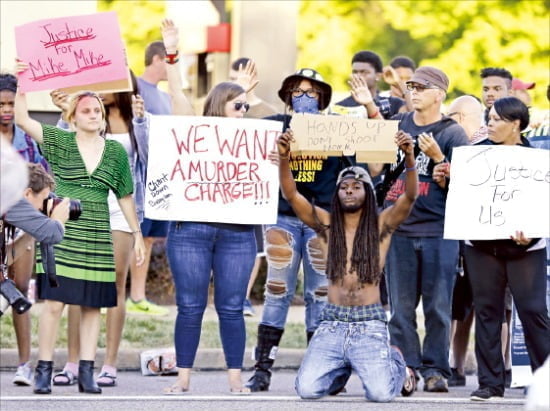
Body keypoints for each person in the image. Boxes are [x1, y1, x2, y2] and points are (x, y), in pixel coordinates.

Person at [14, 78, 146, 394]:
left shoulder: (115, 150)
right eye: (86, 110)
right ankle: (44, 369)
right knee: (56, 303)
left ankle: (87, 371)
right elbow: (22, 118)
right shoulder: (60, 141)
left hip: (99, 232)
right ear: (73, 116)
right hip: (63, 232)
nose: (93, 114)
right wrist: (22, 82)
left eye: (97, 110)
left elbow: (126, 195)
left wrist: (137, 233)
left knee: (91, 306)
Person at [246, 68, 372, 392]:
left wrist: (368, 109)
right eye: (298, 92)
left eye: (311, 93)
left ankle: (321, 369)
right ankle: (262, 369)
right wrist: (244, 96)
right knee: (277, 291)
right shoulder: (274, 126)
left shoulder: (338, 129)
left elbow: (370, 159)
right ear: (289, 97)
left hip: (322, 220)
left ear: (322, 98)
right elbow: (235, 138)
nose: (304, 98)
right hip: (282, 215)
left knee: (319, 294)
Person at [273, 129, 418, 401]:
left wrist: (409, 158)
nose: (349, 190)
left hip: (369, 323)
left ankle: (398, 364)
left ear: (368, 192)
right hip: (332, 322)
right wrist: (284, 158)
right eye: (344, 187)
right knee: (307, 390)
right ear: (337, 193)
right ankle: (341, 367)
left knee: (381, 394)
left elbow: (409, 197)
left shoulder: (382, 225)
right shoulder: (326, 225)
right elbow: (292, 196)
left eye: (356, 186)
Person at [163, 81, 257, 394]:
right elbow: (177, 99)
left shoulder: (254, 141)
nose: (244, 112)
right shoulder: (193, 132)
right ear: (220, 104)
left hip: (238, 232)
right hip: (191, 230)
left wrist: (271, 163)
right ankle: (183, 378)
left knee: (232, 307)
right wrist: (174, 59)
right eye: (238, 105)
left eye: (246, 106)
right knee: (189, 306)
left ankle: (235, 379)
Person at [383, 66, 469, 393]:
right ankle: (406, 367)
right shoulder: (398, 125)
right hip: (400, 228)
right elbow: (376, 168)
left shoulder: (452, 133)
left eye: (422, 86)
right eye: (410, 86)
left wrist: (437, 158)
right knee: (401, 308)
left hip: (438, 230)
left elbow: (467, 188)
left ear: (439, 94)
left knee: (437, 306)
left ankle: (436, 369)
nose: (414, 91)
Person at [461, 97, 550, 401]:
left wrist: (533, 232)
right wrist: (447, 180)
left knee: (534, 311)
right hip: (481, 246)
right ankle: (489, 384)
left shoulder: (536, 159)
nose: (490, 123)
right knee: (487, 312)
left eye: (497, 119)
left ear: (516, 124)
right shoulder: (473, 156)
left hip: (526, 248)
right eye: (489, 117)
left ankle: (545, 380)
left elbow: (543, 205)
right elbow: (461, 201)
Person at [127, 19, 194, 316]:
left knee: (151, 237)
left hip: (161, 177)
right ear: (157, 59)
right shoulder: (134, 87)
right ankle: (117, 295)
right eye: (168, 62)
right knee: (131, 235)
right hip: (137, 175)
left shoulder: (167, 97)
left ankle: (137, 297)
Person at [0, 72, 50, 386]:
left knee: (18, 293)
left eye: (10, 103)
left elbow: (43, 183)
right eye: (1, 104)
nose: (6, 109)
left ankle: (23, 364)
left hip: (21, 227)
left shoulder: (27, 140)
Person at [439, 95, 487, 387]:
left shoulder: (482, 147)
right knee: (456, 305)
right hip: (456, 236)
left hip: (476, 238)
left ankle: (464, 365)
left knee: (473, 305)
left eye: (451, 115)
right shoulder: (448, 145)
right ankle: (452, 365)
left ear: (463, 118)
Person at [229, 57, 277, 316]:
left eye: (241, 77)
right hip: (226, 186)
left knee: (254, 247)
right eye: (232, 77)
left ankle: (243, 298)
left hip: (255, 188)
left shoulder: (269, 112)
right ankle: (230, 296)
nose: (236, 82)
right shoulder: (221, 107)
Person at [331, 50, 402, 119]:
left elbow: (411, 119)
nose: (358, 76)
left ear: (378, 76)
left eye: (364, 72)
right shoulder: (340, 107)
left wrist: (399, 83)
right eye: (355, 72)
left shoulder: (393, 104)